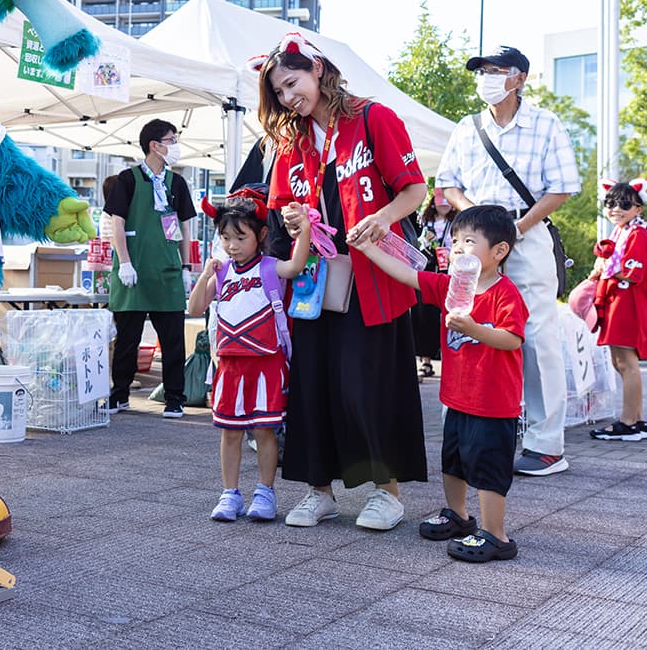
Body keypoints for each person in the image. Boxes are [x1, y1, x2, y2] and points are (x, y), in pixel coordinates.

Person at [255, 32, 428, 531]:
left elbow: (414, 189)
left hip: (374, 279)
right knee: (313, 387)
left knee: (366, 384)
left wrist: (383, 218)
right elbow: (280, 212)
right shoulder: (290, 143)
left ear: (318, 70)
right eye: (280, 93)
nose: (289, 98)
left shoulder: (375, 118)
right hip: (314, 282)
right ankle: (318, 491)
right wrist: (293, 222)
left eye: (292, 84)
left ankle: (386, 493)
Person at [436, 45, 580, 477]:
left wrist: (514, 228)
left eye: (496, 70)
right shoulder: (467, 127)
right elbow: (447, 184)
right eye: (481, 71)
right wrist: (476, 220)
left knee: (536, 335)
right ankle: (467, 422)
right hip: (475, 240)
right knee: (468, 321)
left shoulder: (546, 124)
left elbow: (563, 187)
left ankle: (545, 443)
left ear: (519, 78)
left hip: (527, 234)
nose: (486, 78)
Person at [352, 205, 526, 562]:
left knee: (488, 467)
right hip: (457, 398)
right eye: (456, 241)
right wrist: (370, 249)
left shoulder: (505, 294)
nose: (459, 249)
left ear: (499, 251)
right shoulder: (451, 286)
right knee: (454, 461)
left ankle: (496, 535)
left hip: (493, 403)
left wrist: (475, 330)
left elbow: (512, 339)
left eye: (469, 241)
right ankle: (458, 515)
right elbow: (409, 275)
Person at [187, 187, 309, 522]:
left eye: (240, 237)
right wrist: (206, 276)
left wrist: (306, 227)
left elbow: (298, 264)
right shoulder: (223, 271)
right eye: (226, 237)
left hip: (267, 362)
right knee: (230, 431)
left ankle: (265, 492)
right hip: (229, 364)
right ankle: (230, 494)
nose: (232, 245)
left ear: (261, 234)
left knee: (265, 431)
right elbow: (196, 306)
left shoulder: (270, 267)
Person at [104, 118, 196, 418]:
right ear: (155, 145)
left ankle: (174, 398)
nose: (176, 145)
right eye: (172, 139)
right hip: (134, 272)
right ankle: (119, 394)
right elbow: (116, 222)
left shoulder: (177, 183)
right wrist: (125, 263)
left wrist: (186, 267)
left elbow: (185, 226)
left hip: (167, 272)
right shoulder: (127, 180)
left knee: (172, 341)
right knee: (128, 339)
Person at [589, 178, 647, 442]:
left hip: (627, 302)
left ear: (638, 208)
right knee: (619, 362)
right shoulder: (623, 232)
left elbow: (633, 273)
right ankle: (636, 420)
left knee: (626, 362)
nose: (615, 208)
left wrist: (603, 269)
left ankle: (629, 422)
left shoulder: (638, 235)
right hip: (620, 300)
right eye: (610, 203)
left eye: (624, 204)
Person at [412, 189, 457, 377]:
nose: (444, 204)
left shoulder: (458, 222)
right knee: (425, 316)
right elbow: (416, 242)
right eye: (440, 200)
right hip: (428, 269)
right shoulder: (424, 221)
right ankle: (426, 360)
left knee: (451, 315)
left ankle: (452, 358)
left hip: (450, 271)